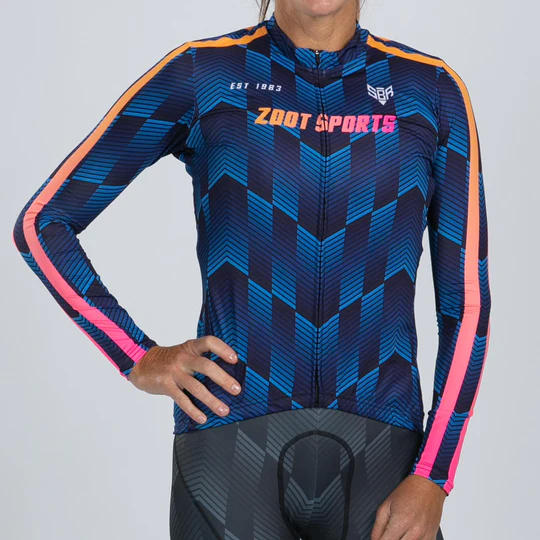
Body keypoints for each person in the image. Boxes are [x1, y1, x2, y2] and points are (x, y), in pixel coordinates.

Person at [12, 0, 491, 538]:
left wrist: (434, 474)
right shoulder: (205, 74)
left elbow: (466, 306)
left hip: (384, 457)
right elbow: (43, 224)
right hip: (228, 450)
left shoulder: (431, 91)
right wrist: (137, 355)